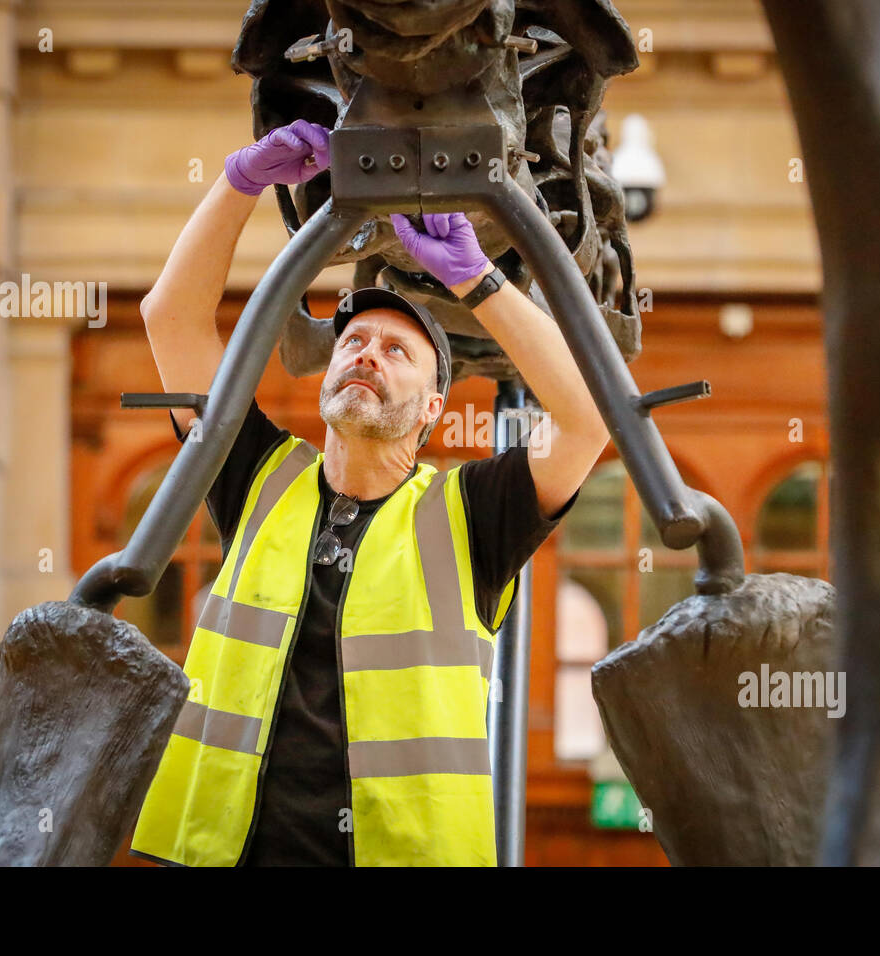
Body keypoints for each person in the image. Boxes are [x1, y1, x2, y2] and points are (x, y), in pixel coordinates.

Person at [130, 120, 609, 866]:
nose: (365, 355)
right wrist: (238, 185)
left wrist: (474, 281)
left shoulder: (467, 514)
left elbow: (585, 422)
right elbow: (171, 318)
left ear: (433, 410)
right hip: (219, 851)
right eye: (352, 343)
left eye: (396, 352)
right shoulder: (257, 475)